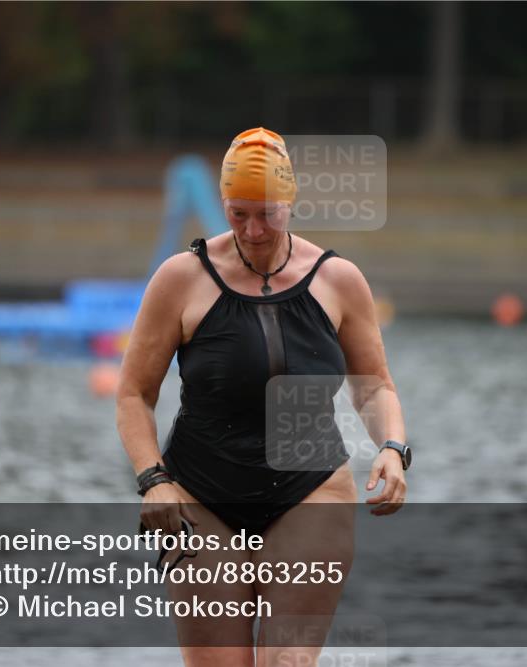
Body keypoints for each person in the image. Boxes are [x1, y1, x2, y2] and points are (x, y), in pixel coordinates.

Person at [116, 127, 410, 667]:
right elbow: (134, 393)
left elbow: (376, 387)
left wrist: (392, 447)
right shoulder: (180, 280)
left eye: (268, 213)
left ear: (290, 202)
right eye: (238, 213)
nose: (253, 230)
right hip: (200, 496)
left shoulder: (337, 280)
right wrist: (152, 479)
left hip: (311, 487)